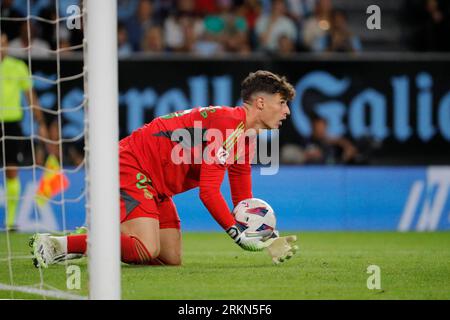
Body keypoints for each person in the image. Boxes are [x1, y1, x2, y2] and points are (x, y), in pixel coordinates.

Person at [30, 70, 298, 266]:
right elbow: (208, 192)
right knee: (146, 247)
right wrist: (237, 236)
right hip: (132, 163)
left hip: (156, 183)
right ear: (261, 103)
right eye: (282, 102)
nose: (286, 111)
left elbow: (243, 202)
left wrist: (264, 239)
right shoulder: (228, 125)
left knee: (169, 258)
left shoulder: (245, 138)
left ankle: (100, 239)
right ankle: (60, 244)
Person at [0, 32, 50, 231]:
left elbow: (31, 97)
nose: (1, 46)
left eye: (3, 43)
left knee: (12, 170)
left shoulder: (18, 66)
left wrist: (41, 122)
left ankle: (11, 221)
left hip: (12, 123)